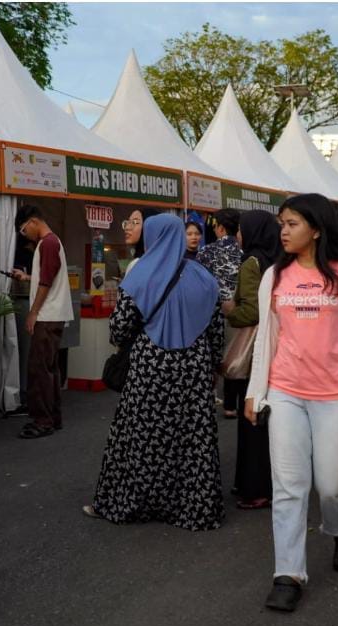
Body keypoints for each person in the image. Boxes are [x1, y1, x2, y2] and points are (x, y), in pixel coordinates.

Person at [245, 194, 338, 613]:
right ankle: (288, 574)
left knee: (333, 482)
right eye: (281, 224)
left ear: (317, 228)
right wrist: (257, 390)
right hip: (286, 391)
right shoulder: (275, 275)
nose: (282, 231)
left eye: (291, 224)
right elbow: (265, 338)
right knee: (288, 487)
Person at [84, 214, 223, 530]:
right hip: (194, 368)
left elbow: (119, 329)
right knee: (191, 438)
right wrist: (212, 364)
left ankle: (133, 503)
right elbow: (216, 332)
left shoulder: (140, 274)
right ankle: (191, 507)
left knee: (142, 435)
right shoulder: (203, 277)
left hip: (151, 366)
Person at [223, 209, 281, 511]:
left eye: (241, 230)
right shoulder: (282, 259)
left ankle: (253, 487)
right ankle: (270, 483)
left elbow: (251, 312)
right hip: (282, 349)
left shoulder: (251, 262)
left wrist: (227, 310)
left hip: (257, 349)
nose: (238, 235)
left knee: (252, 420)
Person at [10, 206, 74, 438]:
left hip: (47, 315)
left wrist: (33, 312)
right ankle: (52, 417)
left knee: (40, 370)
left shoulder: (47, 243)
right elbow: (47, 277)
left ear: (34, 221)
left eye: (24, 228)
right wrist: (28, 277)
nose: (23, 234)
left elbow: (46, 282)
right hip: (54, 314)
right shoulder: (52, 242)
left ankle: (43, 420)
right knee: (49, 369)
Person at [197, 208, 245, 418]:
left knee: (212, 360)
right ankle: (233, 405)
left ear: (220, 228)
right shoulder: (245, 254)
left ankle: (206, 403)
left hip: (210, 315)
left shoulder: (205, 252)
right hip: (238, 316)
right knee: (236, 358)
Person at [121, 208, 161, 274]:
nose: (127, 227)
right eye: (127, 222)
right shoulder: (168, 261)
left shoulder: (136, 265)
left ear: (150, 226)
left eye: (134, 222)